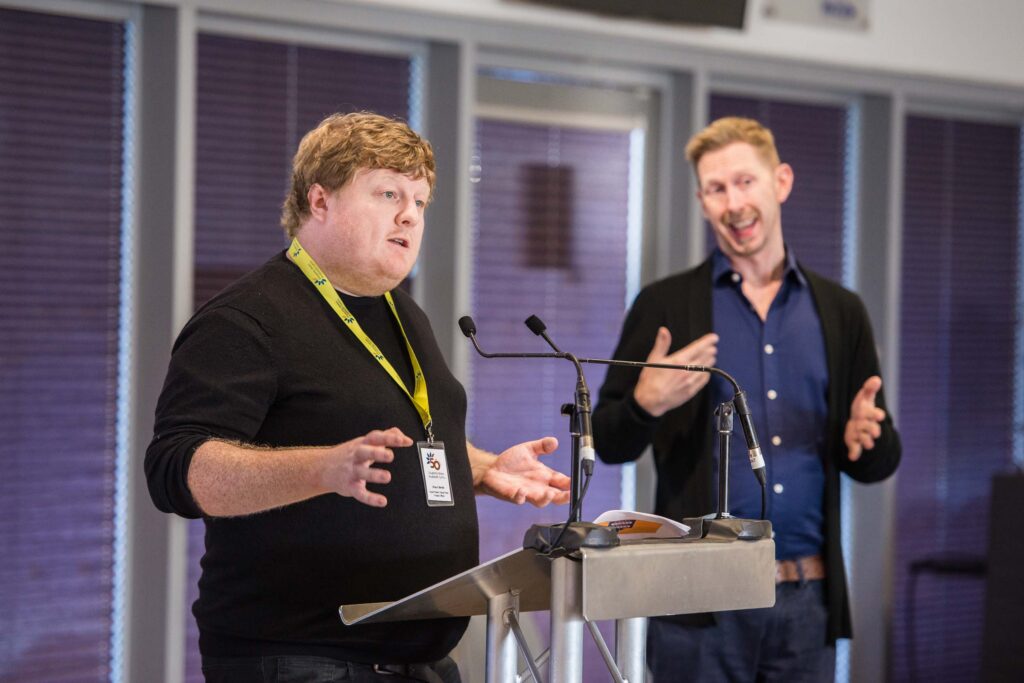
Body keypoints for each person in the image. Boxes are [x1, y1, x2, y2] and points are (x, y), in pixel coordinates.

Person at [145, 112, 571, 683]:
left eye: (420, 202)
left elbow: (403, 438)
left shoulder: (403, 312)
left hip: (420, 658)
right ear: (319, 202)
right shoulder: (245, 320)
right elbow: (177, 469)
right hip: (300, 659)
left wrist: (486, 467)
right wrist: (323, 468)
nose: (409, 216)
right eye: (389, 193)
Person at [592, 116, 901, 681]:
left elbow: (879, 459)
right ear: (702, 201)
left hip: (806, 602)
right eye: (716, 188)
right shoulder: (664, 305)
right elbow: (607, 441)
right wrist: (646, 404)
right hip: (697, 604)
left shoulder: (840, 310)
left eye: (745, 182)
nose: (733, 203)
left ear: (779, 182)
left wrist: (866, 441)